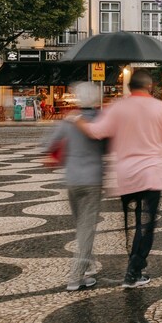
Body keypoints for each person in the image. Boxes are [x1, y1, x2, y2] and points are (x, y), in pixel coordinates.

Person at [70, 69, 162, 289]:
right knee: (146, 225)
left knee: (130, 224)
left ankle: (133, 262)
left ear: (130, 87)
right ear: (149, 86)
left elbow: (96, 132)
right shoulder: (161, 108)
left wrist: (76, 119)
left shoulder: (118, 107)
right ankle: (134, 270)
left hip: (126, 176)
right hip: (151, 174)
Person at [43, 82, 105, 291]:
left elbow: (50, 145)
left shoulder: (69, 120)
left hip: (72, 180)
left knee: (82, 227)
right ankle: (76, 277)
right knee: (86, 229)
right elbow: (108, 146)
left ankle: (87, 269)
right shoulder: (100, 120)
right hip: (93, 181)